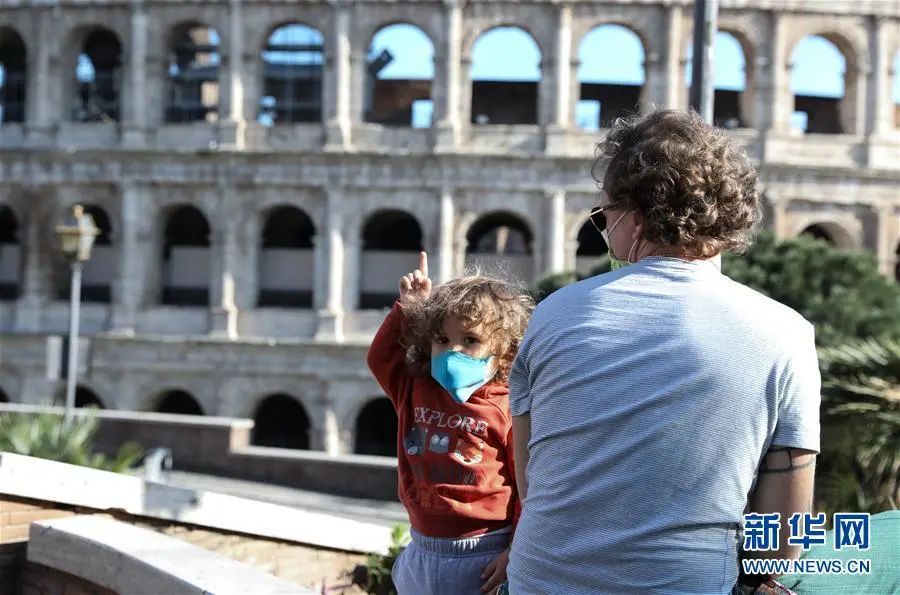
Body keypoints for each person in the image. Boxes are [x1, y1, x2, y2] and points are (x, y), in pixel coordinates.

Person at [506, 110, 821, 594]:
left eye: (604, 217)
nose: (605, 231)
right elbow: (780, 542)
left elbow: (535, 485)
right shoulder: (786, 333)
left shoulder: (552, 315)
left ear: (634, 216)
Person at [366, 251, 534, 594]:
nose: (452, 351)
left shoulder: (508, 406)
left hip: (483, 551)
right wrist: (409, 308)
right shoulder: (416, 387)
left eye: (470, 340)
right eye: (442, 340)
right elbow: (381, 358)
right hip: (422, 547)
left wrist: (515, 551)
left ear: (504, 350)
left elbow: (527, 489)